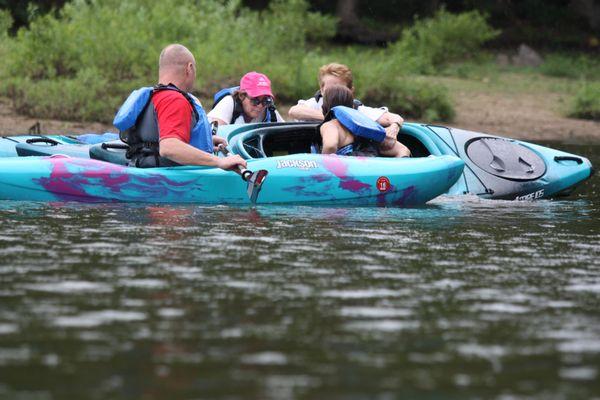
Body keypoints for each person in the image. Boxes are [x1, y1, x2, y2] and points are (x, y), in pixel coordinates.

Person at [115, 44, 246, 170]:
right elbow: (169, 148)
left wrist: (204, 140)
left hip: (147, 169)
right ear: (189, 68)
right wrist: (220, 161)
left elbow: (156, 137)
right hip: (172, 181)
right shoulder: (174, 100)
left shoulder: (155, 96)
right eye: (195, 69)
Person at [289, 62, 410, 157]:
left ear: (351, 91)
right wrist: (337, 116)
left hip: (343, 161)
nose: (334, 92)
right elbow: (294, 111)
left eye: (338, 88)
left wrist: (393, 127)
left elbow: (394, 118)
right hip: (356, 160)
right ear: (321, 89)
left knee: (399, 148)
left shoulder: (358, 110)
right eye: (329, 88)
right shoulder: (313, 103)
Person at [319, 85, 406, 158]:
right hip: (370, 168)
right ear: (352, 106)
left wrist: (323, 168)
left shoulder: (330, 125)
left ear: (325, 107)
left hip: (347, 173)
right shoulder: (367, 126)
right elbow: (403, 150)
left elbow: (330, 145)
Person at [208, 71, 285, 126]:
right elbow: (212, 136)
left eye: (266, 101)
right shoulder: (228, 103)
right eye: (255, 100)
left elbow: (285, 131)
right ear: (242, 96)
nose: (260, 106)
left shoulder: (268, 109)